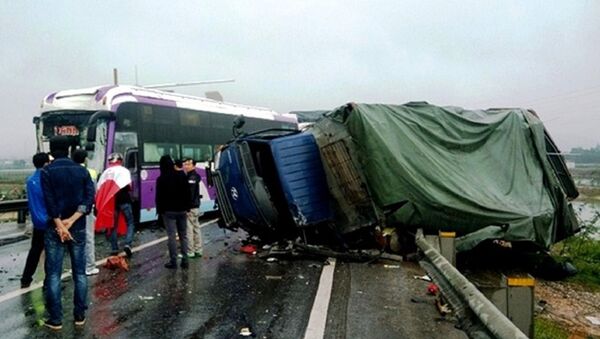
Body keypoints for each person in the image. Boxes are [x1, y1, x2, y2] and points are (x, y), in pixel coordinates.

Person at [41, 136, 95, 330]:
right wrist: (72, 221)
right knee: (80, 272)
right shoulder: (82, 171)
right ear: (70, 149)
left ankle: (56, 320)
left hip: (54, 228)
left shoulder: (47, 171)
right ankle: (79, 315)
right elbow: (89, 199)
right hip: (78, 226)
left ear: (51, 151)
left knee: (53, 274)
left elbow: (49, 201)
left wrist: (60, 225)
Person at [20, 153, 50, 288]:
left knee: (35, 251)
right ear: (45, 163)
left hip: (37, 222)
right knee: (51, 253)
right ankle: (49, 281)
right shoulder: (47, 179)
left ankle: (26, 278)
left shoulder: (30, 179)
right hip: (49, 220)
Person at [96, 153, 135, 257]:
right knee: (130, 222)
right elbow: (129, 186)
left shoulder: (105, 172)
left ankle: (114, 248)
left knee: (113, 225)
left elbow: (99, 189)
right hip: (124, 200)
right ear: (121, 161)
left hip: (112, 203)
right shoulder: (124, 171)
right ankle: (128, 244)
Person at [156, 155, 191, 269]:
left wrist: (160, 212)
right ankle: (185, 260)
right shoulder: (182, 175)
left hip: (168, 211)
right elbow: (187, 193)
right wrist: (188, 207)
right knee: (183, 235)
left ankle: (173, 261)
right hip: (182, 210)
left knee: (171, 236)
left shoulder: (161, 179)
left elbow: (159, 198)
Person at [72, 149, 99, 276]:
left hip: (72, 209)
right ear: (85, 159)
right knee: (88, 237)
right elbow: (94, 192)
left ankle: (77, 265)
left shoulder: (70, 171)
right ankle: (89, 266)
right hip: (86, 209)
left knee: (74, 237)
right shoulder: (91, 172)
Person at [183, 158, 204, 258]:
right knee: (196, 228)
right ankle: (198, 249)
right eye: (185, 164)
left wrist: (186, 207)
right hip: (195, 206)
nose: (186, 166)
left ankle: (190, 251)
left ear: (194, 166)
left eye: (188, 164)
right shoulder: (194, 176)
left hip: (191, 207)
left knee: (189, 229)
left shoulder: (191, 177)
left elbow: (190, 194)